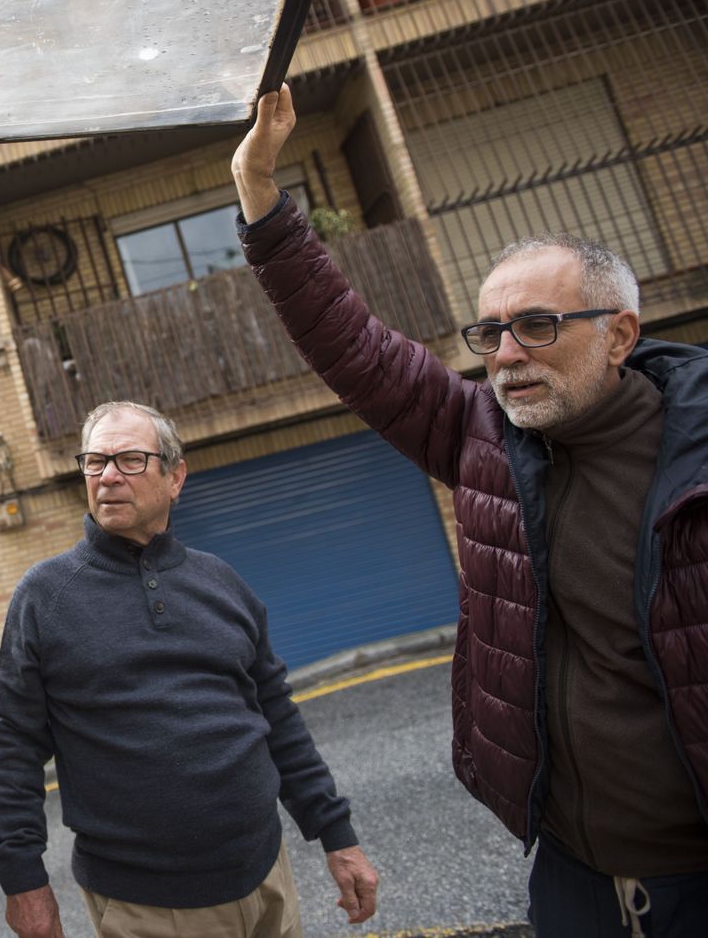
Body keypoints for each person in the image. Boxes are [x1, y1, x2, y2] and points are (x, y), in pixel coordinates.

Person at [231, 84, 708, 936]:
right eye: (490, 334)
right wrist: (263, 201)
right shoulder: (481, 435)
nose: (507, 355)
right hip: (571, 877)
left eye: (536, 325)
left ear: (621, 335)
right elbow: (352, 344)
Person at [0, 400, 379, 938]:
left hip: (266, 877)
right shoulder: (45, 596)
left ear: (175, 477)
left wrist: (338, 836)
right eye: (95, 462)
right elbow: (15, 744)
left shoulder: (220, 581)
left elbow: (277, 716)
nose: (107, 477)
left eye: (129, 460)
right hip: (145, 903)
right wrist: (22, 881)